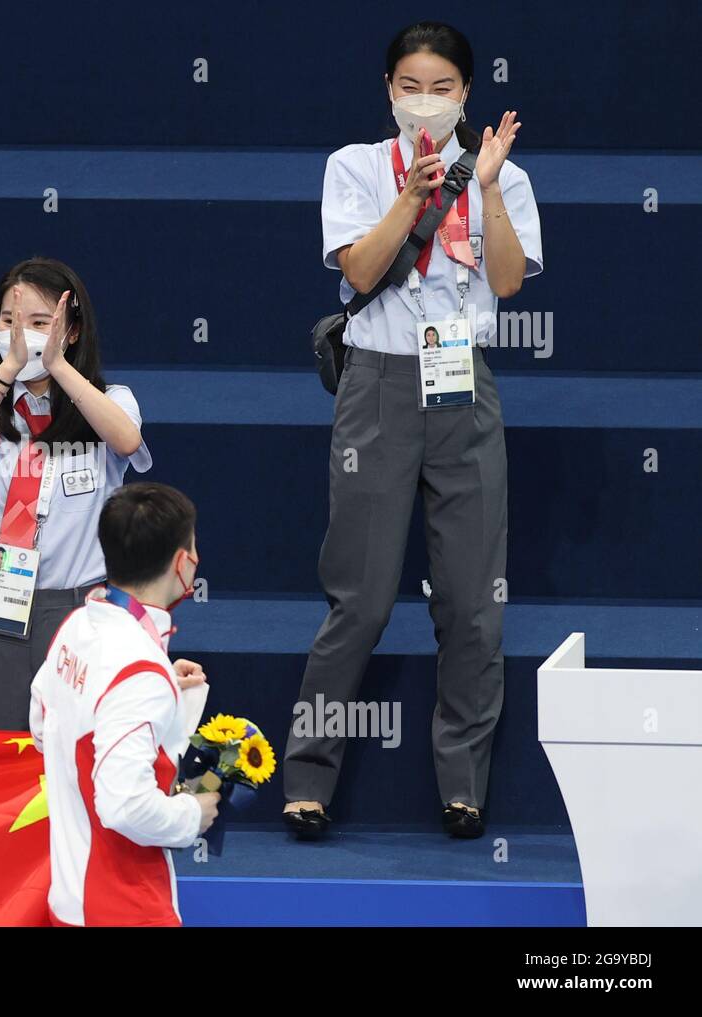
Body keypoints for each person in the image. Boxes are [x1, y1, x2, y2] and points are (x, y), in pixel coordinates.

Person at [283, 21, 542, 840]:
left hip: (464, 383)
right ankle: (309, 774)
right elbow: (359, 271)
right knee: (358, 596)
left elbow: (507, 280)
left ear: (466, 93)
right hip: (381, 386)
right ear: (389, 91)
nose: (425, 104)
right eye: (410, 87)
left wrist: (487, 188)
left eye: (441, 88)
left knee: (472, 603)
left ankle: (463, 781)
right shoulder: (355, 167)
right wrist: (412, 194)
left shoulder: (507, 175)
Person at [0, 257, 153, 730]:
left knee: (76, 756)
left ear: (72, 331)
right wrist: (9, 369)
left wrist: (57, 368)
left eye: (39, 323)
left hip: (81, 609)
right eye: (8, 321)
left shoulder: (110, 401)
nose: (21, 334)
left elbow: (127, 441)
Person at [29, 482, 218, 926]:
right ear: (181, 562)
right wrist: (194, 814)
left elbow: (42, 720)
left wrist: (156, 684)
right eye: (193, 547)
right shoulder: (138, 674)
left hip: (70, 898)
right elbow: (124, 806)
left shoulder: (79, 625)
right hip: (120, 910)